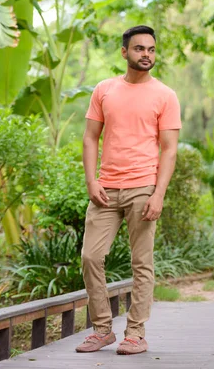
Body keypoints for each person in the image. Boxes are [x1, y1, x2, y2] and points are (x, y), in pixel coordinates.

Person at [75, 25, 181, 355]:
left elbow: (169, 149)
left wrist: (158, 193)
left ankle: (135, 333)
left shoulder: (165, 95)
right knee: (91, 257)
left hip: (142, 188)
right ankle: (102, 329)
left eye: (150, 49)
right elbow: (91, 137)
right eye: (139, 49)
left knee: (141, 262)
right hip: (106, 188)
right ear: (125, 52)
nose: (146, 54)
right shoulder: (104, 90)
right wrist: (92, 180)